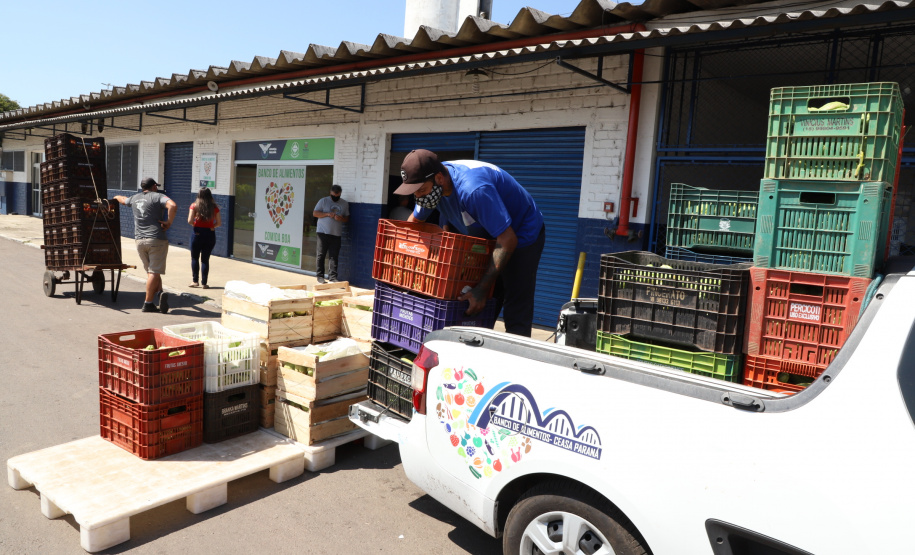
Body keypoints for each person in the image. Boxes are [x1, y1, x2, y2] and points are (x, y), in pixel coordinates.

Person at [396, 149, 546, 337]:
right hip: (487, 232)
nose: (418, 197)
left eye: (421, 190)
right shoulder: (430, 188)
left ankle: (516, 349)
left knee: (512, 300)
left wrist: (482, 289)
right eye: (414, 192)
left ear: (439, 179)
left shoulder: (474, 190)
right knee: (474, 298)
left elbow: (507, 240)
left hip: (521, 233)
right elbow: (414, 224)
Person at [113, 177, 177, 313]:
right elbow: (172, 205)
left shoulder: (135, 198)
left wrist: (116, 196)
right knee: (154, 271)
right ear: (154, 186)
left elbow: (123, 200)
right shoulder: (158, 196)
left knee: (152, 271)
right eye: (156, 186)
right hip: (156, 239)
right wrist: (168, 222)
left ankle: (159, 293)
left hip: (139, 241)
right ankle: (148, 303)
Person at [312, 184, 349, 283]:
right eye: (334, 196)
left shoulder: (344, 204)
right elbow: (315, 213)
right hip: (323, 232)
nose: (335, 197)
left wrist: (341, 218)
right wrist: (327, 214)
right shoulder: (323, 201)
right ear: (330, 193)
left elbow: (347, 218)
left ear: (340, 194)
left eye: (338, 196)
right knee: (321, 254)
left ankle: (332, 277)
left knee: (334, 256)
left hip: (336, 233)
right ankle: (320, 276)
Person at [187, 187, 221, 289]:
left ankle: (195, 281)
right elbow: (219, 223)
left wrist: (197, 225)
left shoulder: (194, 206)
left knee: (194, 257)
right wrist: (211, 226)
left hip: (197, 233)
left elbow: (189, 220)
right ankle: (204, 283)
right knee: (205, 259)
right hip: (210, 234)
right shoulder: (214, 208)